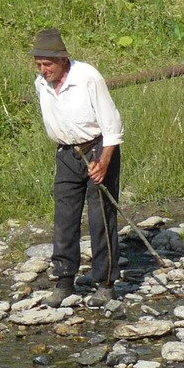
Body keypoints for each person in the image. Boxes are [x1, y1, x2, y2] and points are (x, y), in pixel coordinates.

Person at [31, 28, 124, 308]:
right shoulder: (42, 84)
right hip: (67, 154)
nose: (43, 70)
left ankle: (105, 283)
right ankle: (64, 279)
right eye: (39, 65)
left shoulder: (88, 77)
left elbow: (112, 125)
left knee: (100, 218)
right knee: (65, 216)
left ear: (63, 60)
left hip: (98, 148)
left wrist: (104, 161)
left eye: (48, 65)